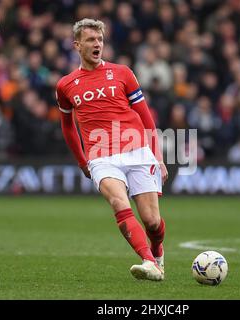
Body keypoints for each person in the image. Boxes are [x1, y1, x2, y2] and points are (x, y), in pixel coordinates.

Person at [56, 19, 168, 281]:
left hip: (137, 149)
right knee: (119, 202)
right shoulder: (65, 85)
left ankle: (157, 250)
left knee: (152, 221)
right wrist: (83, 162)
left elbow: (145, 117)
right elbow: (68, 127)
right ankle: (149, 262)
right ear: (77, 45)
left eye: (100, 40)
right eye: (91, 40)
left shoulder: (123, 73)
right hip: (101, 156)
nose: (97, 44)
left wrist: (158, 157)